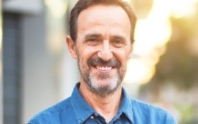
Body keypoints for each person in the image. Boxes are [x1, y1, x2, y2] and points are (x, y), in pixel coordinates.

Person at [28, 0, 176, 123]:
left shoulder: (160, 121)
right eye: (93, 40)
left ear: (130, 49)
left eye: (117, 42)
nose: (105, 54)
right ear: (72, 47)